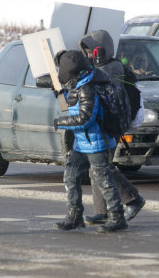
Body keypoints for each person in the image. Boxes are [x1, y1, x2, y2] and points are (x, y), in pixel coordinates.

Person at [53, 50, 127, 233]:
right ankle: (75, 216)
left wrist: (60, 123)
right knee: (70, 175)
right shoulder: (80, 82)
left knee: (104, 179)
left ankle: (117, 217)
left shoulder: (87, 88)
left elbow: (85, 118)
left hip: (96, 142)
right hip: (83, 141)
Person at [78, 30, 145, 225]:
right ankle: (102, 211)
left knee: (102, 167)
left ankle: (133, 199)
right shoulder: (102, 66)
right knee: (96, 168)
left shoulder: (111, 68)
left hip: (111, 125)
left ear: (101, 51)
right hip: (103, 124)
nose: (88, 55)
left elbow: (93, 82)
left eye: (91, 51)